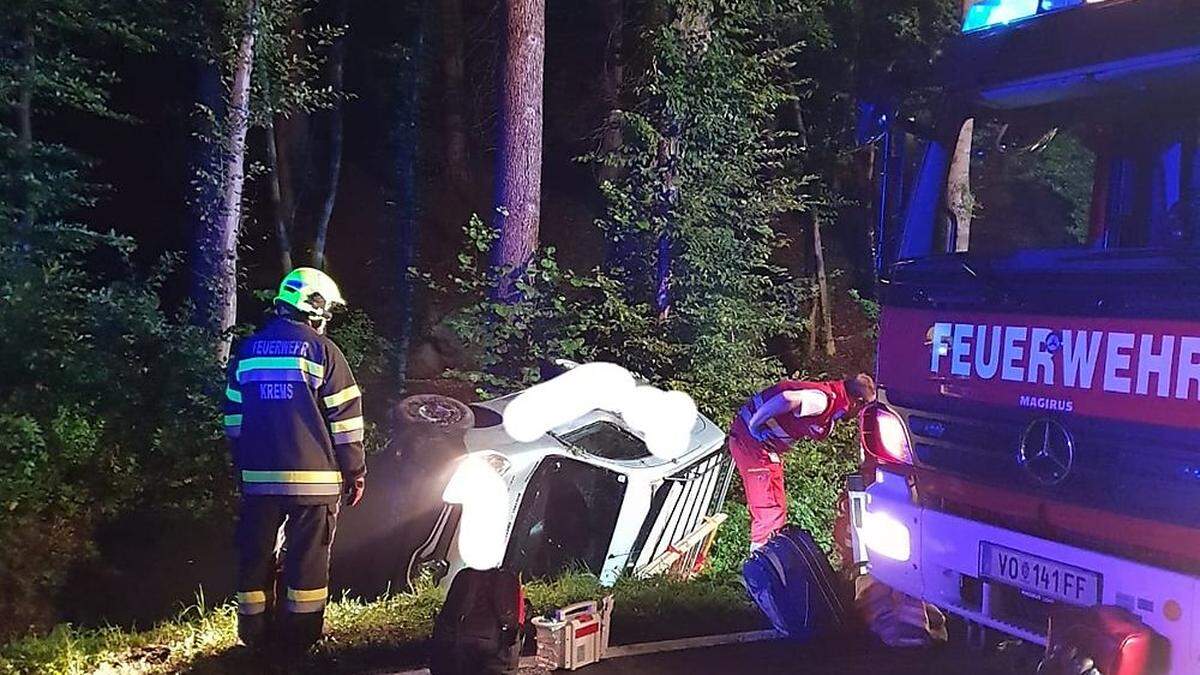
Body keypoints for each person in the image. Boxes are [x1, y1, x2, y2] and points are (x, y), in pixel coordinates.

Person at [224, 268, 367, 659]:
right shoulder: (323, 352)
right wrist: (354, 471)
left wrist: (243, 463)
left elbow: (233, 419)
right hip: (313, 482)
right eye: (327, 312)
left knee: (255, 554)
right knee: (307, 559)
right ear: (314, 307)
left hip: (257, 480)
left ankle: (254, 632)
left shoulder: (248, 350)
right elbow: (346, 421)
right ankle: (300, 638)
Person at [729, 374, 876, 550]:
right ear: (857, 401)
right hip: (753, 447)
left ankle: (764, 558)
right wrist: (754, 426)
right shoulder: (822, 401)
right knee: (770, 511)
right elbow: (786, 398)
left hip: (760, 449)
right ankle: (759, 562)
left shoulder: (831, 398)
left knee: (776, 508)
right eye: (864, 407)